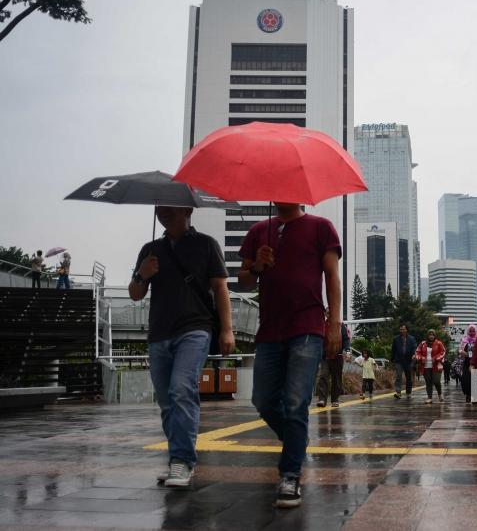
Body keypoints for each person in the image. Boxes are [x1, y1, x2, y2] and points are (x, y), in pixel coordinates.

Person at [237, 202, 342, 509]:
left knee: (297, 402)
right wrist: (257, 265)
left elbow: (332, 277)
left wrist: (333, 322)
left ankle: (290, 474)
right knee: (263, 400)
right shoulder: (259, 231)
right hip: (270, 328)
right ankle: (296, 443)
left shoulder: (321, 227)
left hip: (307, 325)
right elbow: (243, 278)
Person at [128, 206, 234, 488]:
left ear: (187, 210)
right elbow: (136, 294)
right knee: (166, 402)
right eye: (159, 209)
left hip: (195, 329)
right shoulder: (150, 249)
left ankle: (182, 462)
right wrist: (142, 273)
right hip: (159, 332)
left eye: (170, 209)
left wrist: (226, 330)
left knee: (181, 389)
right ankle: (177, 457)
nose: (163, 213)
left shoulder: (206, 244)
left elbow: (221, 288)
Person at [315, 318, 350, 408]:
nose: (330, 314)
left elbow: (346, 338)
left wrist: (347, 350)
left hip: (337, 356)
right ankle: (322, 399)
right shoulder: (322, 324)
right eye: (328, 313)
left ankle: (335, 399)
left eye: (331, 313)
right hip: (325, 356)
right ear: (326, 315)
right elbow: (318, 339)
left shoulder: (341, 326)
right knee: (323, 376)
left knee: (336, 379)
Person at [414, 329, 445, 404]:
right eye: (430, 335)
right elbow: (417, 352)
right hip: (425, 366)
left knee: (436, 381)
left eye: (433, 335)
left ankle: (440, 394)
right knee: (428, 382)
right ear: (427, 336)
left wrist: (436, 358)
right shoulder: (423, 343)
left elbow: (443, 352)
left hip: (436, 365)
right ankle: (429, 398)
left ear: (435, 336)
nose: (431, 336)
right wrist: (421, 358)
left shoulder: (439, 343)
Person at [390, 323, 417, 398]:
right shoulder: (396, 339)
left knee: (408, 377)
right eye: (400, 329)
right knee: (398, 376)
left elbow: (414, 347)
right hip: (399, 361)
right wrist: (392, 360)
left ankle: (408, 392)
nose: (401, 330)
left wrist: (414, 354)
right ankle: (398, 392)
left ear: (407, 330)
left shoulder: (412, 339)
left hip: (408, 361)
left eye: (403, 329)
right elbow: (393, 350)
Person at [458, 324, 477, 403]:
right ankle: (468, 394)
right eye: (470, 331)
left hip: (475, 363)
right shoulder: (464, 340)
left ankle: (475, 396)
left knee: (475, 380)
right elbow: (459, 349)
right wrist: (462, 352)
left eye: (473, 331)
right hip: (466, 363)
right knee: (465, 380)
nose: (472, 332)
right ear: (468, 331)